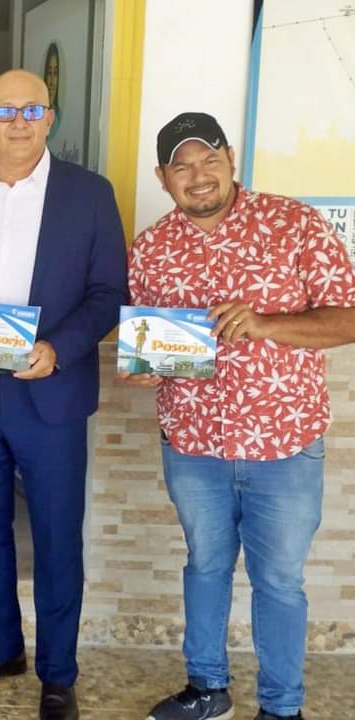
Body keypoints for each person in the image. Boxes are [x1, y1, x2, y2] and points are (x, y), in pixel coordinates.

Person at [122, 112, 355, 720]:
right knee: (204, 567)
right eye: (182, 166)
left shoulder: (294, 224)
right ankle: (208, 689)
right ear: (163, 177)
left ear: (230, 159)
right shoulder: (150, 248)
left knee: (279, 581)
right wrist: (146, 368)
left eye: (209, 159)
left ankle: (282, 707)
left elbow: (348, 317)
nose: (198, 175)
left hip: (284, 444)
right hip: (193, 443)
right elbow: (150, 343)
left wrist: (266, 324)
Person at [0, 69, 127, 720]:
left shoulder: (89, 194)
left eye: (32, 109)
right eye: (6, 111)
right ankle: (1, 650)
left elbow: (109, 293)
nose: (19, 121)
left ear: (50, 118)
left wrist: (58, 348)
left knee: (56, 538)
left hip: (51, 392)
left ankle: (58, 674)